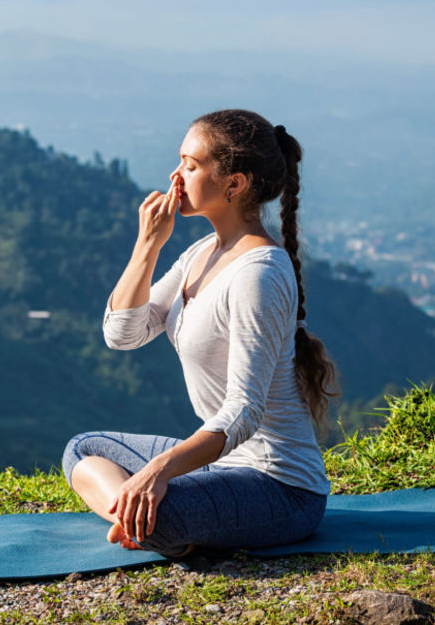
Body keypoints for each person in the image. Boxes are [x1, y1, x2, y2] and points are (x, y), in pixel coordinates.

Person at [60, 109, 339, 557]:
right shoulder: (202, 252)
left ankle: (152, 524)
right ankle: (141, 522)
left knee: (159, 507)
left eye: (191, 165)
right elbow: (123, 334)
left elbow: (243, 411)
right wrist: (147, 245)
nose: (176, 175)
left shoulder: (258, 275)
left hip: (280, 489)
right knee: (84, 449)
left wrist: (159, 471)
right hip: (222, 467)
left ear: (234, 184)